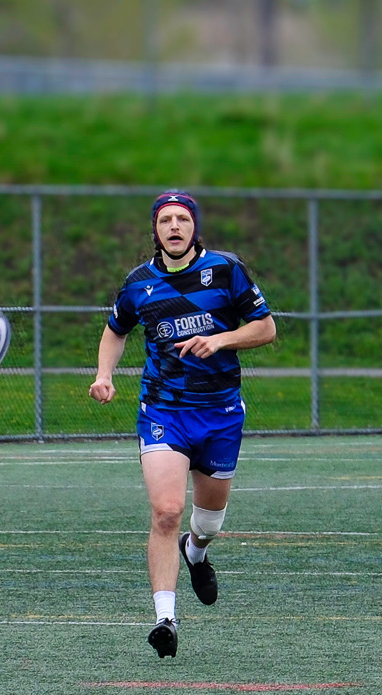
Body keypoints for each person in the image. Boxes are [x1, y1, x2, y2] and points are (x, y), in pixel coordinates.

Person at [89, 190, 276, 658]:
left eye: (182, 219)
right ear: (155, 230)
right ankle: (165, 619)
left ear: (194, 227)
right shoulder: (138, 284)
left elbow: (266, 328)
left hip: (219, 413)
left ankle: (198, 552)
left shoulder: (226, 270)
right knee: (167, 511)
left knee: (208, 520)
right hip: (163, 411)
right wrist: (104, 375)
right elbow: (116, 330)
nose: (174, 226)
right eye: (165, 220)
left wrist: (221, 340)